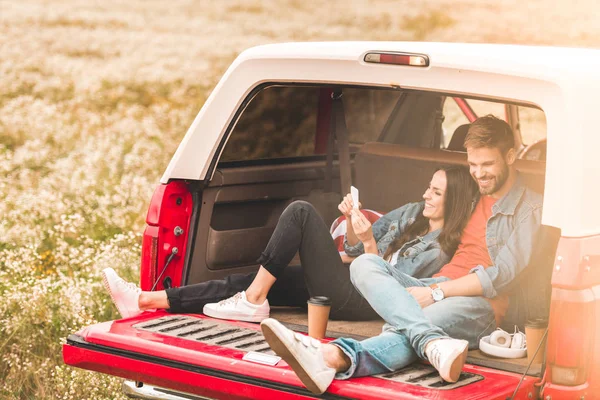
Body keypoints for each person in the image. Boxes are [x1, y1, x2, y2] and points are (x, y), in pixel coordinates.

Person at [259, 114, 543, 394]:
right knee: (365, 265)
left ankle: (330, 357)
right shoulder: (470, 195)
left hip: (480, 304)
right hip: (435, 284)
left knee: (408, 330)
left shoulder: (529, 208)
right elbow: (429, 217)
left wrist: (436, 293)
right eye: (472, 164)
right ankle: (433, 345)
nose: (479, 173)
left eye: (487, 164)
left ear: (510, 156)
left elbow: (501, 276)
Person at [102, 166, 476, 323]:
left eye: (436, 191)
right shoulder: (412, 214)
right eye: (429, 186)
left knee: (299, 212)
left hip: (363, 301)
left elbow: (387, 288)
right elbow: (355, 252)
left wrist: (366, 243)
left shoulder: (438, 249)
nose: (426, 194)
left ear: (453, 200)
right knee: (252, 280)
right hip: (345, 277)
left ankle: (251, 304)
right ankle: (144, 301)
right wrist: (352, 225)